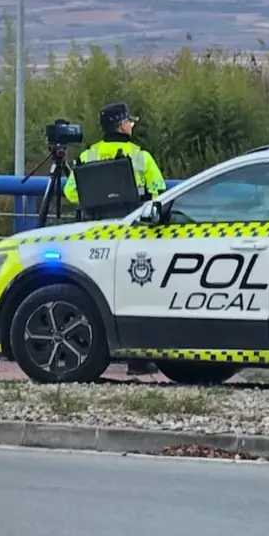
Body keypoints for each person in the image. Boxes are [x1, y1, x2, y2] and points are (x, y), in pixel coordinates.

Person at [63, 102, 167, 376]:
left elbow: (71, 193)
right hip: (132, 235)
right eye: (129, 122)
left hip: (95, 237)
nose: (132, 125)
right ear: (121, 125)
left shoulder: (88, 155)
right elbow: (160, 191)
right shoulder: (140, 156)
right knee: (137, 292)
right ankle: (138, 360)